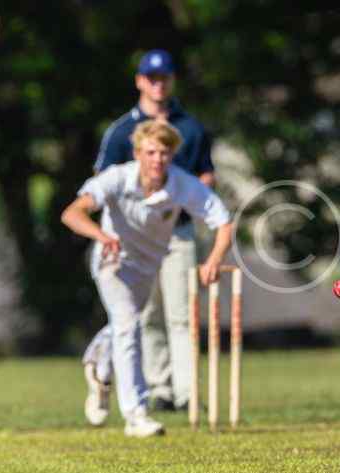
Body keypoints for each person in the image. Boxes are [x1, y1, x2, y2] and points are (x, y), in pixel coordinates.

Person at [62, 120, 232, 437]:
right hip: (112, 262)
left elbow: (223, 222)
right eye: (151, 152)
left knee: (124, 324)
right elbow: (72, 213)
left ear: (172, 156)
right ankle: (136, 414)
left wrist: (213, 260)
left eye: (164, 153)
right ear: (138, 153)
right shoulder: (117, 178)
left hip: (147, 266)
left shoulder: (181, 184)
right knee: (128, 325)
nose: (157, 160)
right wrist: (102, 236)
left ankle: (99, 369)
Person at [81, 49, 216, 426]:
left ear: (172, 81)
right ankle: (158, 389)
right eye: (151, 78)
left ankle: (186, 393)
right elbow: (102, 182)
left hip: (177, 232)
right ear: (140, 81)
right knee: (143, 316)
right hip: (131, 238)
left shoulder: (190, 128)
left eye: (164, 78)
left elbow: (205, 175)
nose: (158, 85)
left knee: (181, 314)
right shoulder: (123, 130)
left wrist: (191, 197)